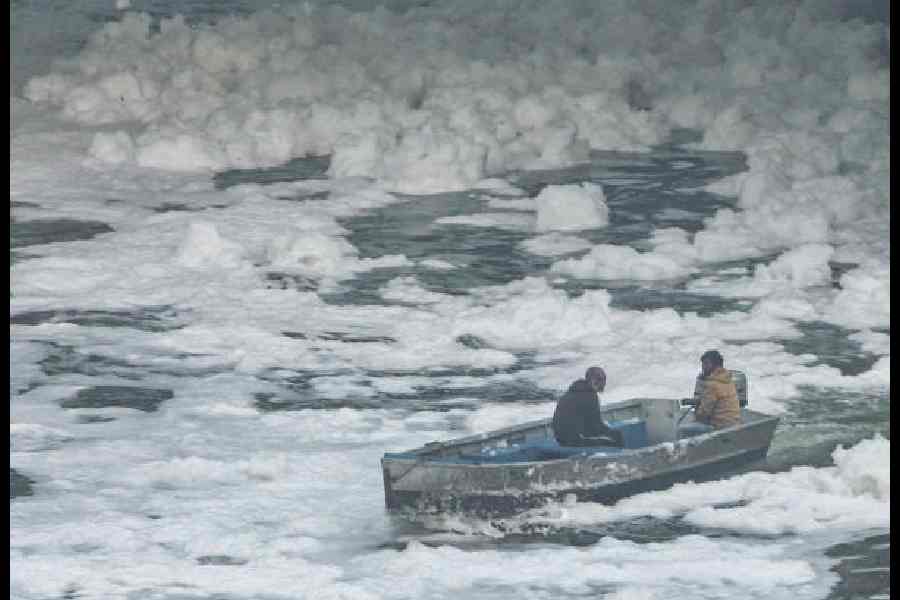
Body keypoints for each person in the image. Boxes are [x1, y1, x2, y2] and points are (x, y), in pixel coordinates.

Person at [552, 366, 624, 447]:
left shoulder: (574, 390)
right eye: (601, 380)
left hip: (560, 439)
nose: (603, 384)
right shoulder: (590, 396)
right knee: (617, 436)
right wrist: (610, 432)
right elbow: (594, 427)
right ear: (593, 381)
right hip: (575, 440)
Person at [685, 350, 741, 433]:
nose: (703, 367)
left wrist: (696, 411)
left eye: (706, 364)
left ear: (716, 365)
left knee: (682, 430)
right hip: (733, 424)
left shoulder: (712, 385)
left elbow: (703, 414)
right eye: (703, 364)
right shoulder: (727, 379)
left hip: (719, 427)